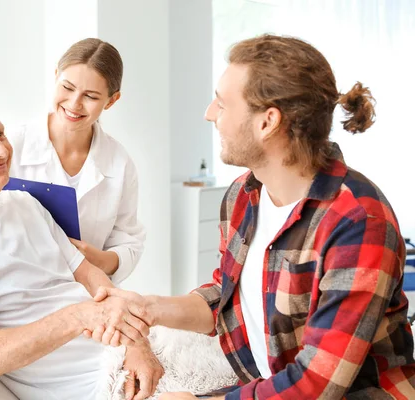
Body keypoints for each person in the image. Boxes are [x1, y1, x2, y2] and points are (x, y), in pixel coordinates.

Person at [93, 34, 415, 399]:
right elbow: (226, 300)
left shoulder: (359, 222)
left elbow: (316, 385)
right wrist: (147, 307)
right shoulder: (243, 196)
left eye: (222, 103)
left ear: (267, 122)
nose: (209, 113)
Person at [0, 98, 163, 400]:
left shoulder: (26, 203)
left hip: (131, 347)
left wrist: (136, 343)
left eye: (0, 134)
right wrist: (80, 316)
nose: (2, 150)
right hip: (103, 383)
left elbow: (90, 274)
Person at [0, 38, 144, 284]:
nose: (74, 103)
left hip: (88, 286)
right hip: (20, 286)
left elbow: (128, 238)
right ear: (55, 76)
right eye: (67, 87)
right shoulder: (6, 144)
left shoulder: (119, 163)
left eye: (91, 96)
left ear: (111, 100)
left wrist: (98, 260)